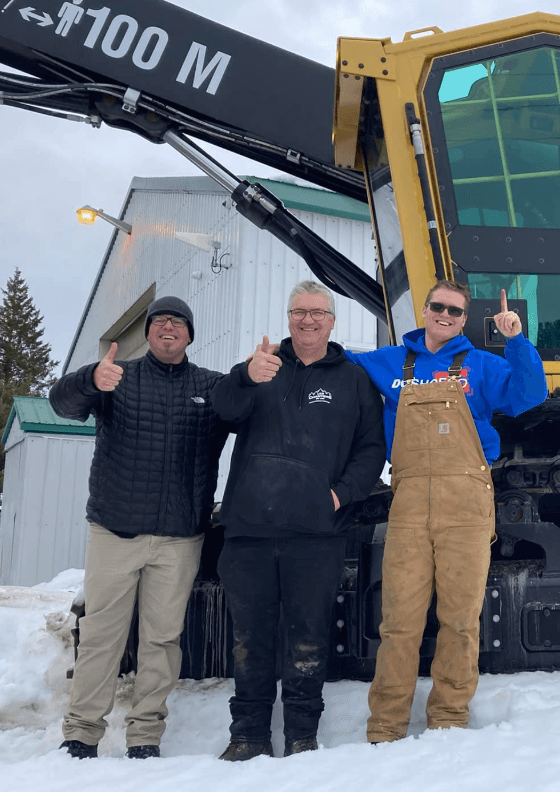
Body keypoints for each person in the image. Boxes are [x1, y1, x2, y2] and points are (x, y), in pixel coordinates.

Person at [346, 280, 547, 743]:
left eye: (455, 311)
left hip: (466, 503)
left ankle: (450, 716)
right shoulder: (388, 361)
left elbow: (528, 395)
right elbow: (332, 367)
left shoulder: (482, 364)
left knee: (459, 619)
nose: (444, 315)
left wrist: (515, 339)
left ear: (463, 319)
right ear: (424, 309)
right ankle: (386, 724)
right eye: (438, 306)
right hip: (410, 502)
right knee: (399, 620)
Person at [211, 280, 386, 761]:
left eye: (317, 312)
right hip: (248, 532)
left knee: (309, 637)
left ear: (333, 321)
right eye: (299, 312)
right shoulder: (260, 368)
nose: (308, 320)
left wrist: (341, 495)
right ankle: (247, 734)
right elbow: (221, 411)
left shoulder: (353, 379)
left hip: (316, 534)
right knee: (250, 639)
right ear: (288, 318)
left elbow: (372, 449)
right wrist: (246, 376)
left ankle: (301, 735)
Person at [49, 296, 229, 760]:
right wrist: (90, 379)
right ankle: (82, 730)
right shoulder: (117, 377)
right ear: (149, 332)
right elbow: (62, 404)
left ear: (190, 334)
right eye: (160, 321)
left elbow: (251, 407)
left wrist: (257, 371)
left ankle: (145, 732)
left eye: (178, 322)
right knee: (101, 635)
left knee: (162, 639)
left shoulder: (211, 387)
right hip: (115, 531)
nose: (168, 328)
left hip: (180, 537)